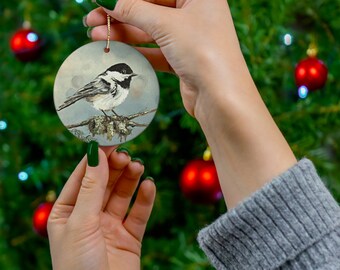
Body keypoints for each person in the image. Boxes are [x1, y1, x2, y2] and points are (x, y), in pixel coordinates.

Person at [47, 0, 340, 269]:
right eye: (123, 77)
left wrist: (213, 93)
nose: (126, 79)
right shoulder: (106, 82)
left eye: (127, 77)